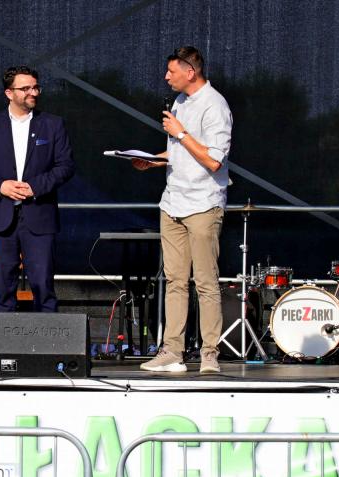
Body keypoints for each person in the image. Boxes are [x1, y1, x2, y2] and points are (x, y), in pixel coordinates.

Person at [133, 46, 233, 374]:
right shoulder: (180, 102)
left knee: (205, 281)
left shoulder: (215, 105)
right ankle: (172, 351)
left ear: (190, 72)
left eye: (172, 71)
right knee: (175, 280)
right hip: (172, 202)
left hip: (203, 204)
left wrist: (180, 132)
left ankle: (209, 353)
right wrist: (153, 160)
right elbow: (180, 151)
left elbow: (213, 159)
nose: (166, 77)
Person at [0, 65, 75, 313]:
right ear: (9, 93)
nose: (33, 92)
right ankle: (5, 340)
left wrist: (35, 187)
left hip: (40, 217)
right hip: (0, 218)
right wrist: (0, 186)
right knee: (4, 290)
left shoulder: (53, 124)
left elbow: (66, 166)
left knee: (43, 286)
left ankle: (47, 339)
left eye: (36, 87)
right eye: (25, 88)